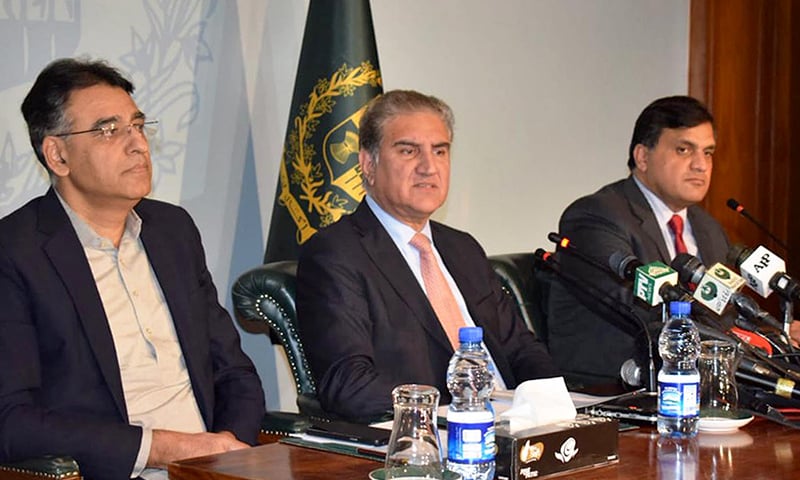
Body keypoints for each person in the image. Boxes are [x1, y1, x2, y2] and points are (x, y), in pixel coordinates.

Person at [0, 58, 265, 479]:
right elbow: (12, 421)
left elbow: (234, 373)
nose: (138, 144)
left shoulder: (173, 230)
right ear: (57, 155)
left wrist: (225, 454)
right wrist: (163, 449)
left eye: (138, 126)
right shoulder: (16, 253)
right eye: (109, 130)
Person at [296, 90, 560, 422]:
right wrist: (453, 414)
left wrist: (554, 404)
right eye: (408, 151)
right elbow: (349, 385)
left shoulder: (462, 248)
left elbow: (521, 348)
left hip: (511, 425)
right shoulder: (336, 254)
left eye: (440, 151)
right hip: (427, 438)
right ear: (368, 164)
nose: (428, 167)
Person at [546, 95, 731, 385]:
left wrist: (775, 340)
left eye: (708, 152)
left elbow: (727, 312)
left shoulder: (710, 230)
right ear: (642, 157)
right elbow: (641, 310)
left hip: (695, 386)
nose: (701, 165)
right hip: (614, 391)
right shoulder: (596, 216)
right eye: (684, 150)